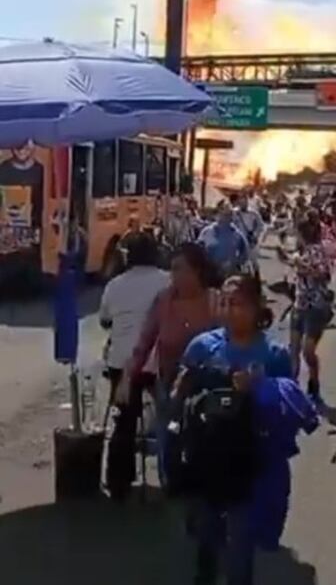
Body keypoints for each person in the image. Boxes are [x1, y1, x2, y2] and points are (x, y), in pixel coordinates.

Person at [173, 274, 294, 585]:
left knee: (240, 545)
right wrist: (182, 387)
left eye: (237, 303)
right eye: (224, 302)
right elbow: (179, 394)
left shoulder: (274, 354)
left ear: (256, 308)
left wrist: (260, 386)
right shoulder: (202, 346)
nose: (229, 310)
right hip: (207, 458)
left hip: (250, 463)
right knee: (206, 535)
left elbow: (291, 404)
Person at [114, 243, 221, 492]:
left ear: (197, 271)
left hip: (207, 384)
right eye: (172, 269)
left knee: (204, 438)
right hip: (169, 381)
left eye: (179, 269)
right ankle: (170, 483)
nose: (174, 276)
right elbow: (144, 343)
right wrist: (127, 377)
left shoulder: (214, 300)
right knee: (169, 434)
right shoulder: (164, 301)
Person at [99, 232, 171, 500]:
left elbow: (105, 320)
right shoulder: (167, 281)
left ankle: (118, 481)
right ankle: (171, 473)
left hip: (122, 363)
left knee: (124, 423)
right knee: (169, 417)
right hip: (156, 361)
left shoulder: (115, 284)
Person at [288, 218, 333, 405]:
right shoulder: (299, 251)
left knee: (307, 350)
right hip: (300, 303)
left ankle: (314, 382)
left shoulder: (316, 250)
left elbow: (324, 275)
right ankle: (291, 386)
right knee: (294, 348)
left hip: (316, 306)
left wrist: (304, 268)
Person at [198, 204, 249, 279]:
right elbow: (198, 250)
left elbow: (245, 254)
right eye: (223, 214)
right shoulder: (207, 232)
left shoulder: (237, 234)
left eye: (228, 214)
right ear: (217, 214)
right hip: (209, 274)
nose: (225, 217)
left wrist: (234, 262)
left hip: (229, 275)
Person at [234, 194, 266, 279]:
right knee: (238, 261)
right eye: (241, 201)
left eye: (245, 201)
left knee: (253, 262)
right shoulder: (234, 213)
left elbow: (261, 226)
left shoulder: (254, 213)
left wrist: (255, 235)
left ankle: (256, 280)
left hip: (250, 240)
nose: (243, 203)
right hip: (238, 240)